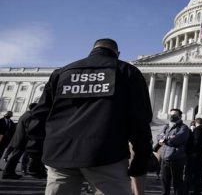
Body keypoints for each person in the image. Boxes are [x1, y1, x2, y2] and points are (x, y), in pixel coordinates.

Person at [27, 38, 153, 194]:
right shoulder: (126, 71)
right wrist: (141, 159)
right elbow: (140, 119)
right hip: (106, 155)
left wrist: (34, 153)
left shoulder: (62, 72)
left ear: (92, 50)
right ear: (117, 53)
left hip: (59, 154)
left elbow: (39, 116)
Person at [2, 103, 39, 179]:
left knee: (15, 157)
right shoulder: (30, 116)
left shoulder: (25, 114)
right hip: (22, 140)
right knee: (14, 157)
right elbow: (29, 129)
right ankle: (7, 173)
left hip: (19, 139)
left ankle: (9, 172)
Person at [157, 108, 190, 195]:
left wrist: (165, 139)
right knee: (164, 182)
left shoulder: (184, 128)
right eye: (171, 114)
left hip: (177, 158)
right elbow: (158, 137)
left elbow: (177, 140)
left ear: (180, 116)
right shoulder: (166, 126)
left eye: (174, 115)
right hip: (165, 158)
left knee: (177, 183)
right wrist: (167, 138)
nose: (172, 116)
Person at [184, 117, 202, 195]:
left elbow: (195, 142)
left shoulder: (197, 130)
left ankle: (188, 189)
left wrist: (189, 151)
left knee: (190, 173)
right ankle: (197, 190)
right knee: (199, 174)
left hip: (194, 156)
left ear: (195, 122)